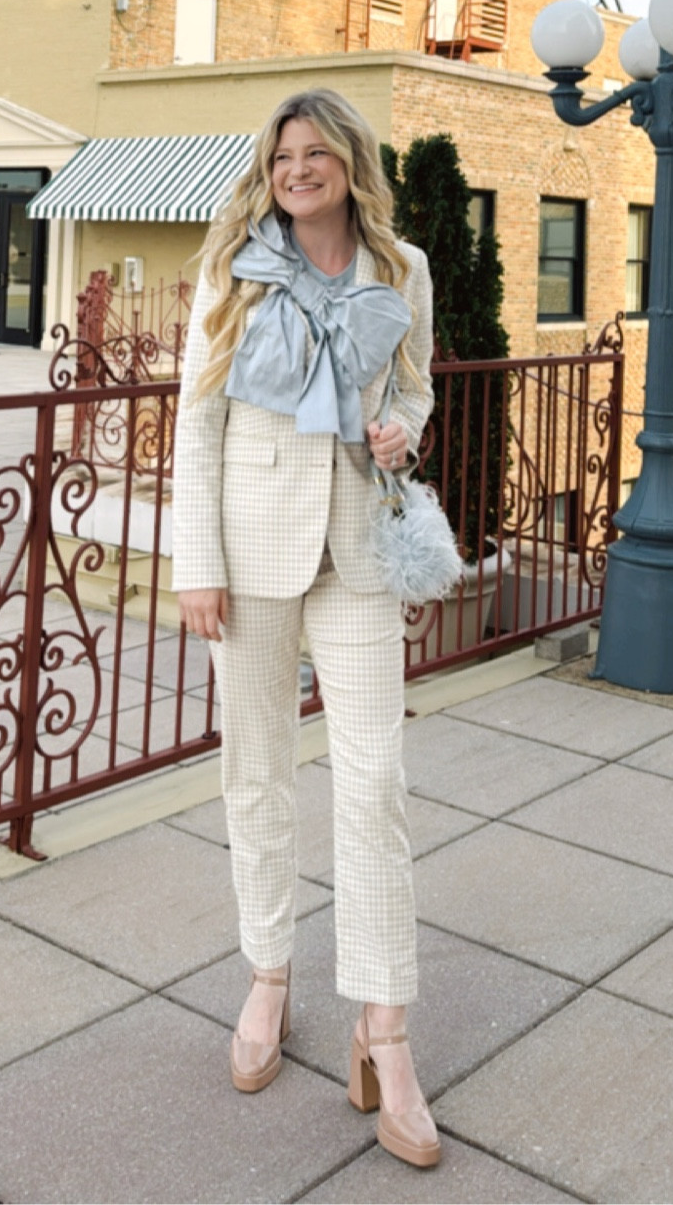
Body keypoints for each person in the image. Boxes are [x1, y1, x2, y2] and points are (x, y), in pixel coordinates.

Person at [173, 87, 440, 1170]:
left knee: (375, 784)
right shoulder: (230, 265)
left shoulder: (404, 270)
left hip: (359, 550)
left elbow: (417, 390)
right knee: (259, 774)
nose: (297, 169)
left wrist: (400, 432)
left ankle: (386, 1028)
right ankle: (269, 978)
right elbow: (196, 419)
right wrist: (197, 560)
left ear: (348, 162)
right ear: (269, 169)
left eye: (315, 151)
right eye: (282, 155)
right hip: (250, 547)